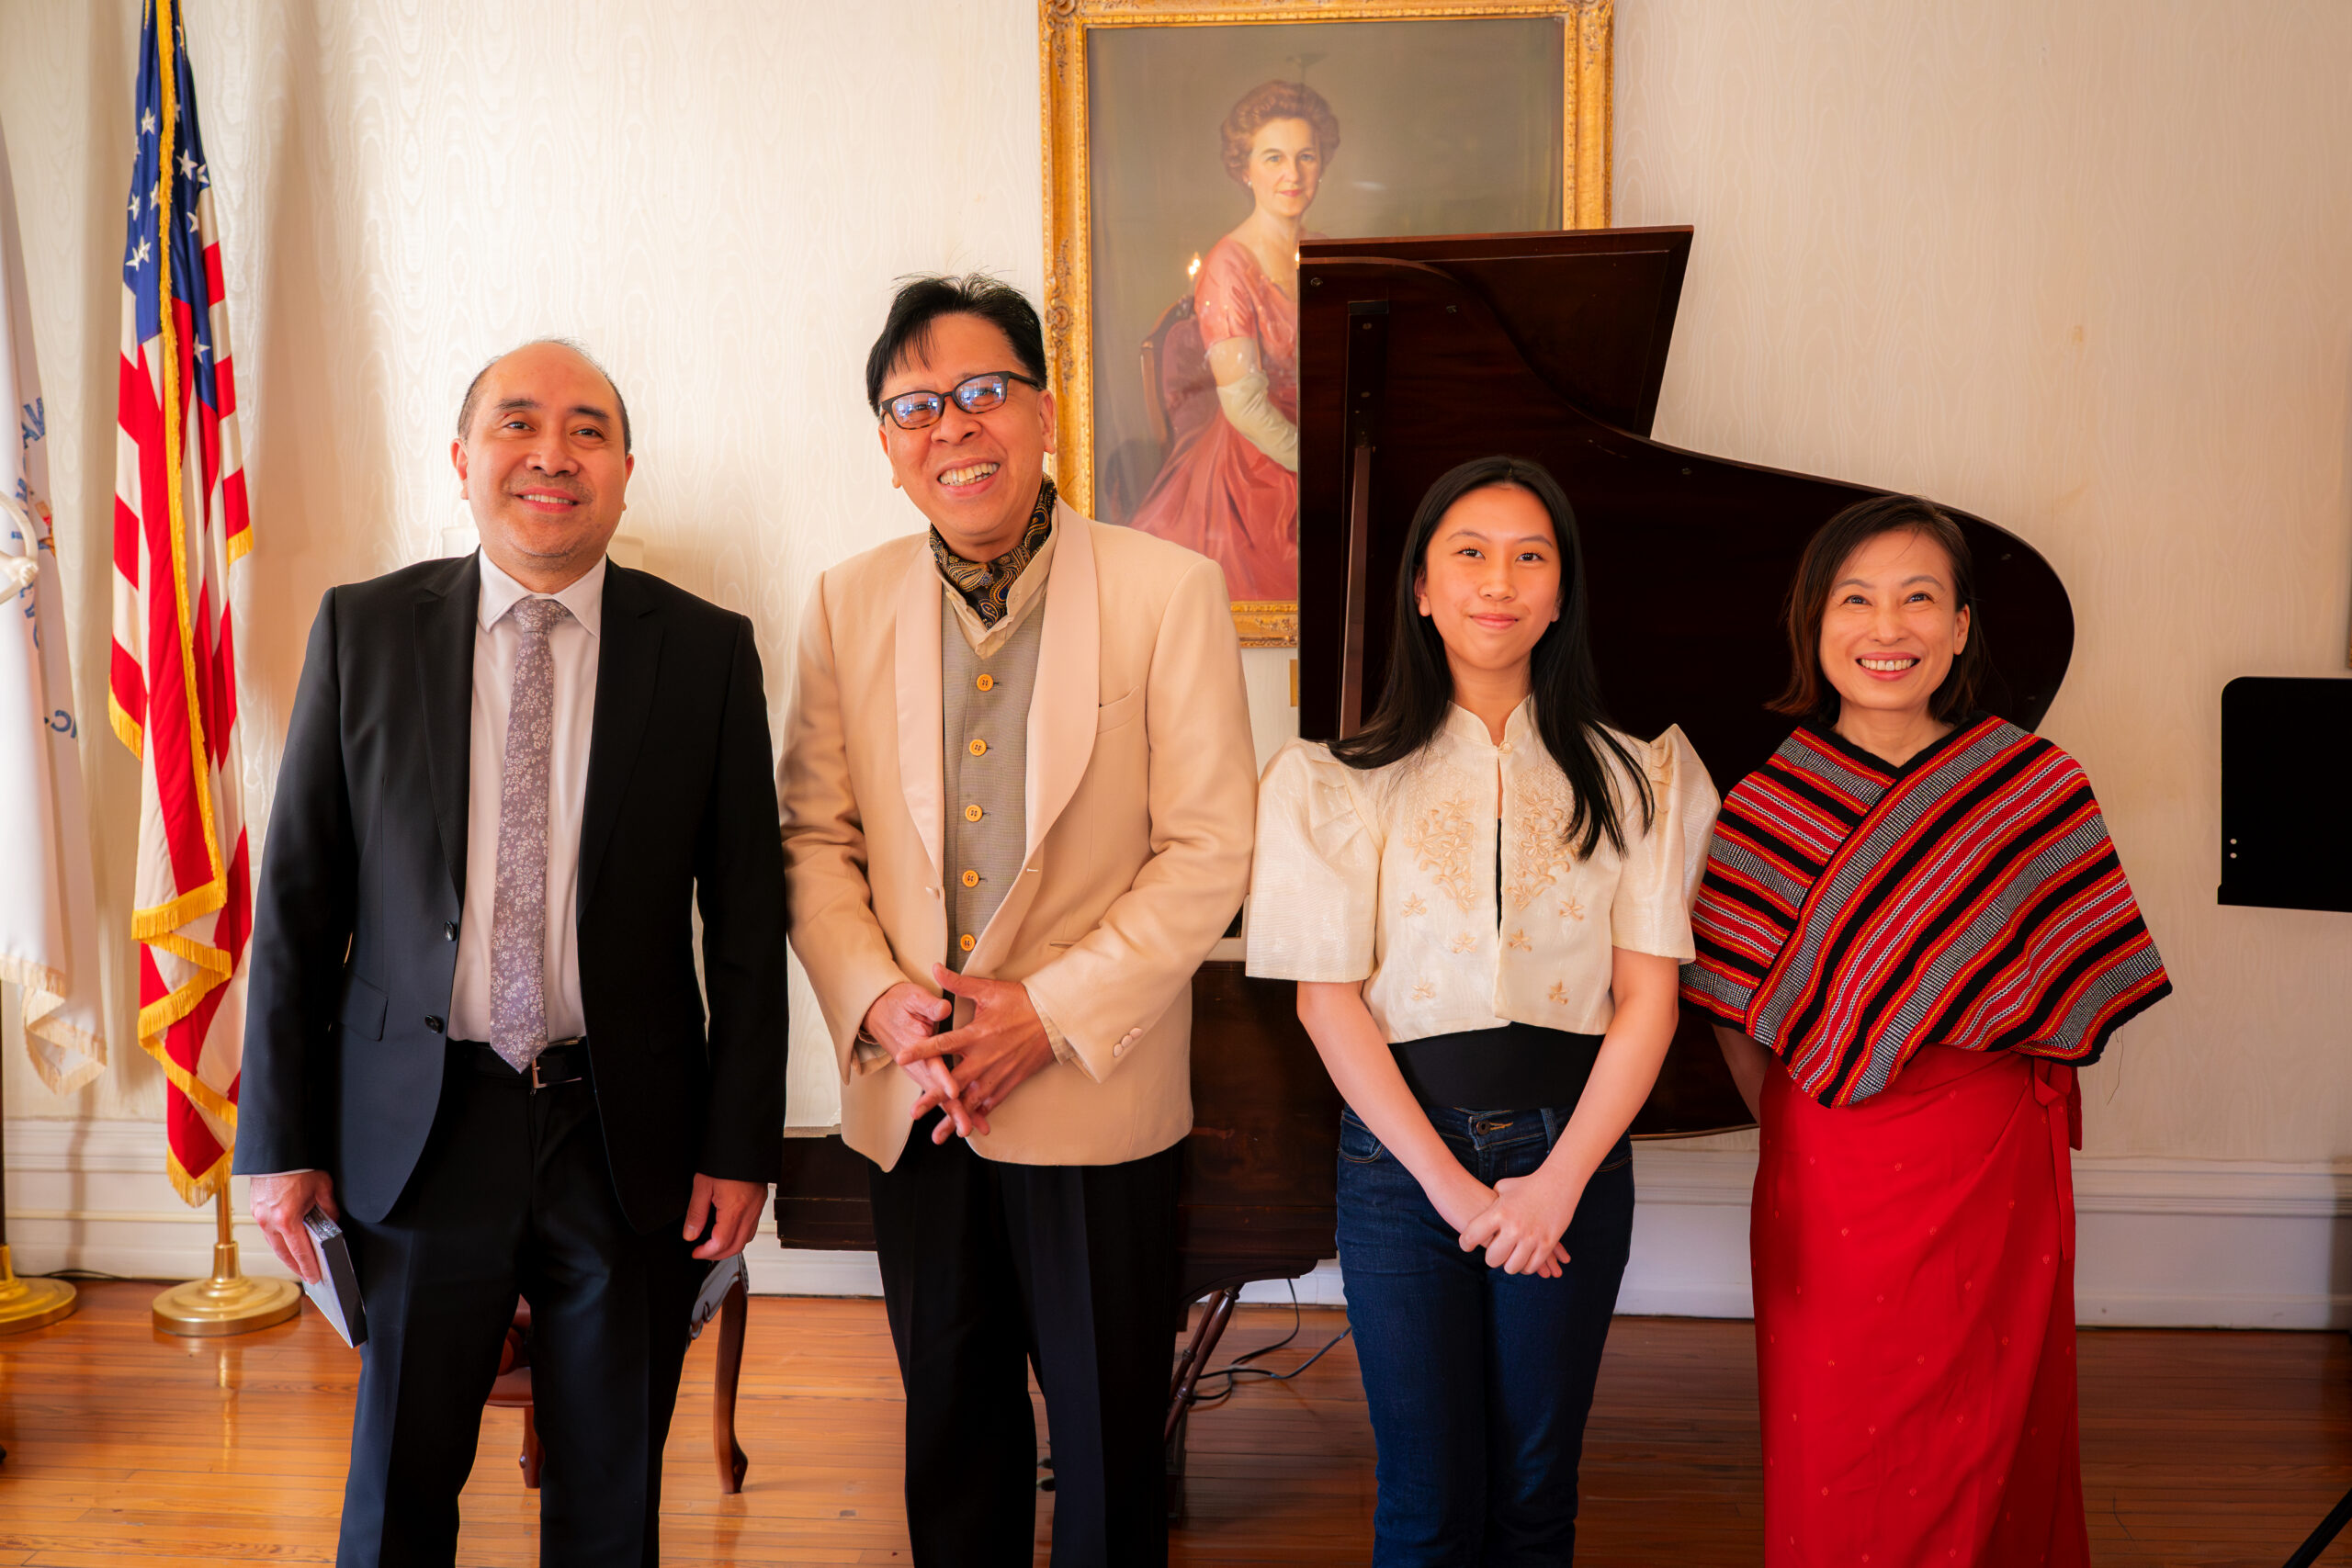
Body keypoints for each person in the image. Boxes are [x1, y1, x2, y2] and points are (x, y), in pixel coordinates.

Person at [236, 340, 788, 1568]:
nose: (554, 452)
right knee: (397, 1492)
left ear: (627, 471)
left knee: (609, 1498)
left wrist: (738, 1144)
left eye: (589, 429)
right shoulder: (364, 629)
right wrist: (278, 1142)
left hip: (623, 1131)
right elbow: (297, 901)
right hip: (419, 1131)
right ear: (462, 458)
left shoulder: (705, 653)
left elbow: (749, 926)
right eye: (520, 424)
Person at [779, 274, 1256, 1567]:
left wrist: (1049, 1010)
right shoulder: (844, 602)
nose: (955, 427)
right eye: (916, 407)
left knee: (1107, 1455)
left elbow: (1211, 845)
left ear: (1043, 412)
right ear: (889, 447)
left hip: (1095, 1094)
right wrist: (882, 997)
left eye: (985, 393)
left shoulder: (1169, 589)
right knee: (953, 1435)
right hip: (918, 1092)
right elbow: (814, 840)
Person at [1680, 495, 2173, 1568]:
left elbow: (2075, 970)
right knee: (1838, 1430)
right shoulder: (1766, 806)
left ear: (1959, 629)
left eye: (1918, 600)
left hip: (1994, 1155)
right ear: (1815, 625)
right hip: (1829, 1159)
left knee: (1997, 1416)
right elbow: (1737, 1009)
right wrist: (1814, 1117)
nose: (1885, 628)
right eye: (1855, 600)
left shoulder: (2036, 787)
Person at [1247, 456, 1719, 1564]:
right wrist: (1454, 1191)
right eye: (1468, 552)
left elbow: (1648, 1003)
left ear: (1560, 594)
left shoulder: (1641, 775)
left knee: (1534, 1496)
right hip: (1400, 1174)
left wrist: (1553, 1189)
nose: (1496, 580)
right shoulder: (1332, 780)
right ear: (1420, 587)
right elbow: (1328, 1006)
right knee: (1422, 1498)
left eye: (1528, 556)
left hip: (1575, 1161)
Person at [1127, 78, 1338, 602]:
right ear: (1244, 170)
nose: (1292, 174)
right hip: (1257, 465)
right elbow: (1244, 405)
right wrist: (1320, 461)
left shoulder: (1328, 252)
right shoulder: (1228, 266)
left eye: (1305, 156)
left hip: (1328, 434)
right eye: (1273, 159)